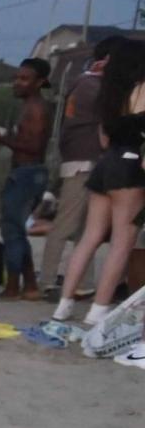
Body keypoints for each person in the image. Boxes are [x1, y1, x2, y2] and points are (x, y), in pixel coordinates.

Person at [53, 37, 145, 334]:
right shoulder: (142, 90)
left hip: (105, 165)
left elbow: (104, 140)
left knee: (89, 237)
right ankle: (98, 312)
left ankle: (63, 305)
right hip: (131, 168)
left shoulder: (109, 94)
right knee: (122, 242)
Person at [41, 37, 116, 296]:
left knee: (86, 228)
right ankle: (48, 280)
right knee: (68, 225)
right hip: (83, 161)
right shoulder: (91, 87)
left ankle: (82, 282)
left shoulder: (86, 84)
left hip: (86, 160)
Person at [0, 58, 53, 301]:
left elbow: (33, 146)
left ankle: (12, 288)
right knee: (17, 230)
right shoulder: (31, 106)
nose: (17, 83)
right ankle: (29, 285)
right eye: (16, 78)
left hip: (26, 175)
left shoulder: (37, 108)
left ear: (40, 82)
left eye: (24, 79)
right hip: (28, 173)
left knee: (12, 232)